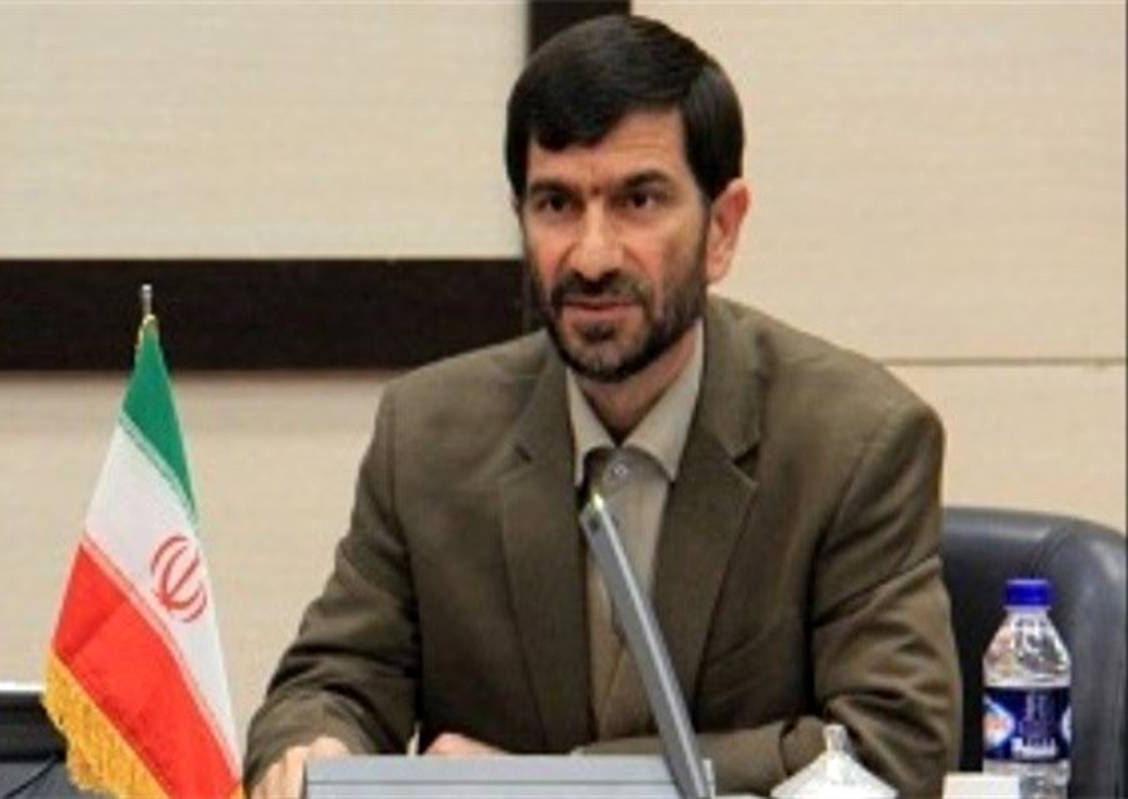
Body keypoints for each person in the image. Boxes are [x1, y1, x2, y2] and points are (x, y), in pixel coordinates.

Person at [246, 14, 961, 798]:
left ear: (722, 228)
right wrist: (319, 744)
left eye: (638, 200)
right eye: (556, 204)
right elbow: (335, 680)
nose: (590, 256)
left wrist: (559, 785)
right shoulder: (425, 434)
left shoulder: (855, 440)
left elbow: (890, 750)